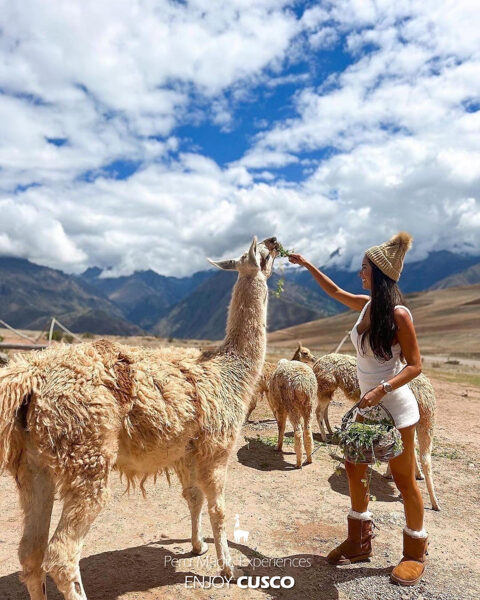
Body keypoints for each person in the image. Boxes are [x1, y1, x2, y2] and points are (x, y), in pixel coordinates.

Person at [288, 232, 428, 587]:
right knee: (354, 467)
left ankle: (414, 551)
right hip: (368, 408)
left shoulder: (399, 314)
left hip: (396, 410)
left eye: (364, 268)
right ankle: (358, 541)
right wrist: (306, 265)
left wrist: (382, 389)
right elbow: (334, 293)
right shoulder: (368, 306)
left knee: (402, 480)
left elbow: (415, 365)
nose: (359, 273)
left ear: (378, 274)